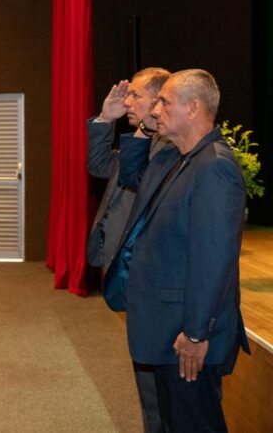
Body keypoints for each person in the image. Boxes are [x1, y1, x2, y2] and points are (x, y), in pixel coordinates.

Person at [112, 69, 250, 432]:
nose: (155, 109)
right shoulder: (174, 158)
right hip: (162, 328)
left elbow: (213, 262)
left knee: (194, 424)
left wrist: (195, 333)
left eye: (164, 102)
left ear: (193, 109)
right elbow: (132, 178)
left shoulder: (215, 168)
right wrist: (142, 130)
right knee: (171, 423)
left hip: (184, 337)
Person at [87, 68, 170, 433]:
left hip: (147, 274)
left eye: (135, 95)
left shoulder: (165, 150)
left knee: (156, 381)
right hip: (128, 271)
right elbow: (100, 165)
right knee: (146, 375)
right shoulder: (140, 140)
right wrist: (106, 118)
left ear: (158, 100)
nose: (127, 101)